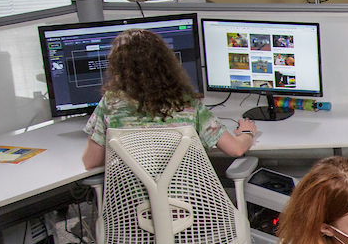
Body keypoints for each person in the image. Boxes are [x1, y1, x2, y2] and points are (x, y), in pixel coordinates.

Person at [81, 29, 256, 169]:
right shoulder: (187, 104)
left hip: (131, 209)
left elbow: (90, 161)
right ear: (165, 63)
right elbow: (236, 149)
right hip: (185, 209)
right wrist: (247, 133)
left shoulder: (110, 104)